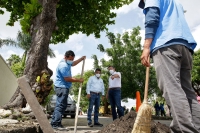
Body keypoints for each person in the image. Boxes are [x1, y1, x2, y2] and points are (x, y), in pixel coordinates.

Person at [139, 0, 200, 132]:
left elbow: (152, 17)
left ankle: (185, 130)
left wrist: (146, 47)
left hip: (166, 46)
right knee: (188, 91)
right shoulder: (174, 3)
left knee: (172, 89)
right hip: (185, 46)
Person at [51, 50, 85, 130]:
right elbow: (67, 79)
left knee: (62, 105)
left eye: (72, 59)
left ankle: (55, 123)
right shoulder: (63, 65)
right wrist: (78, 80)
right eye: (70, 59)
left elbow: (73, 63)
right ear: (66, 57)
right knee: (61, 105)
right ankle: (55, 124)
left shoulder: (67, 62)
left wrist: (81, 59)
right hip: (62, 87)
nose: (72, 61)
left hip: (64, 87)